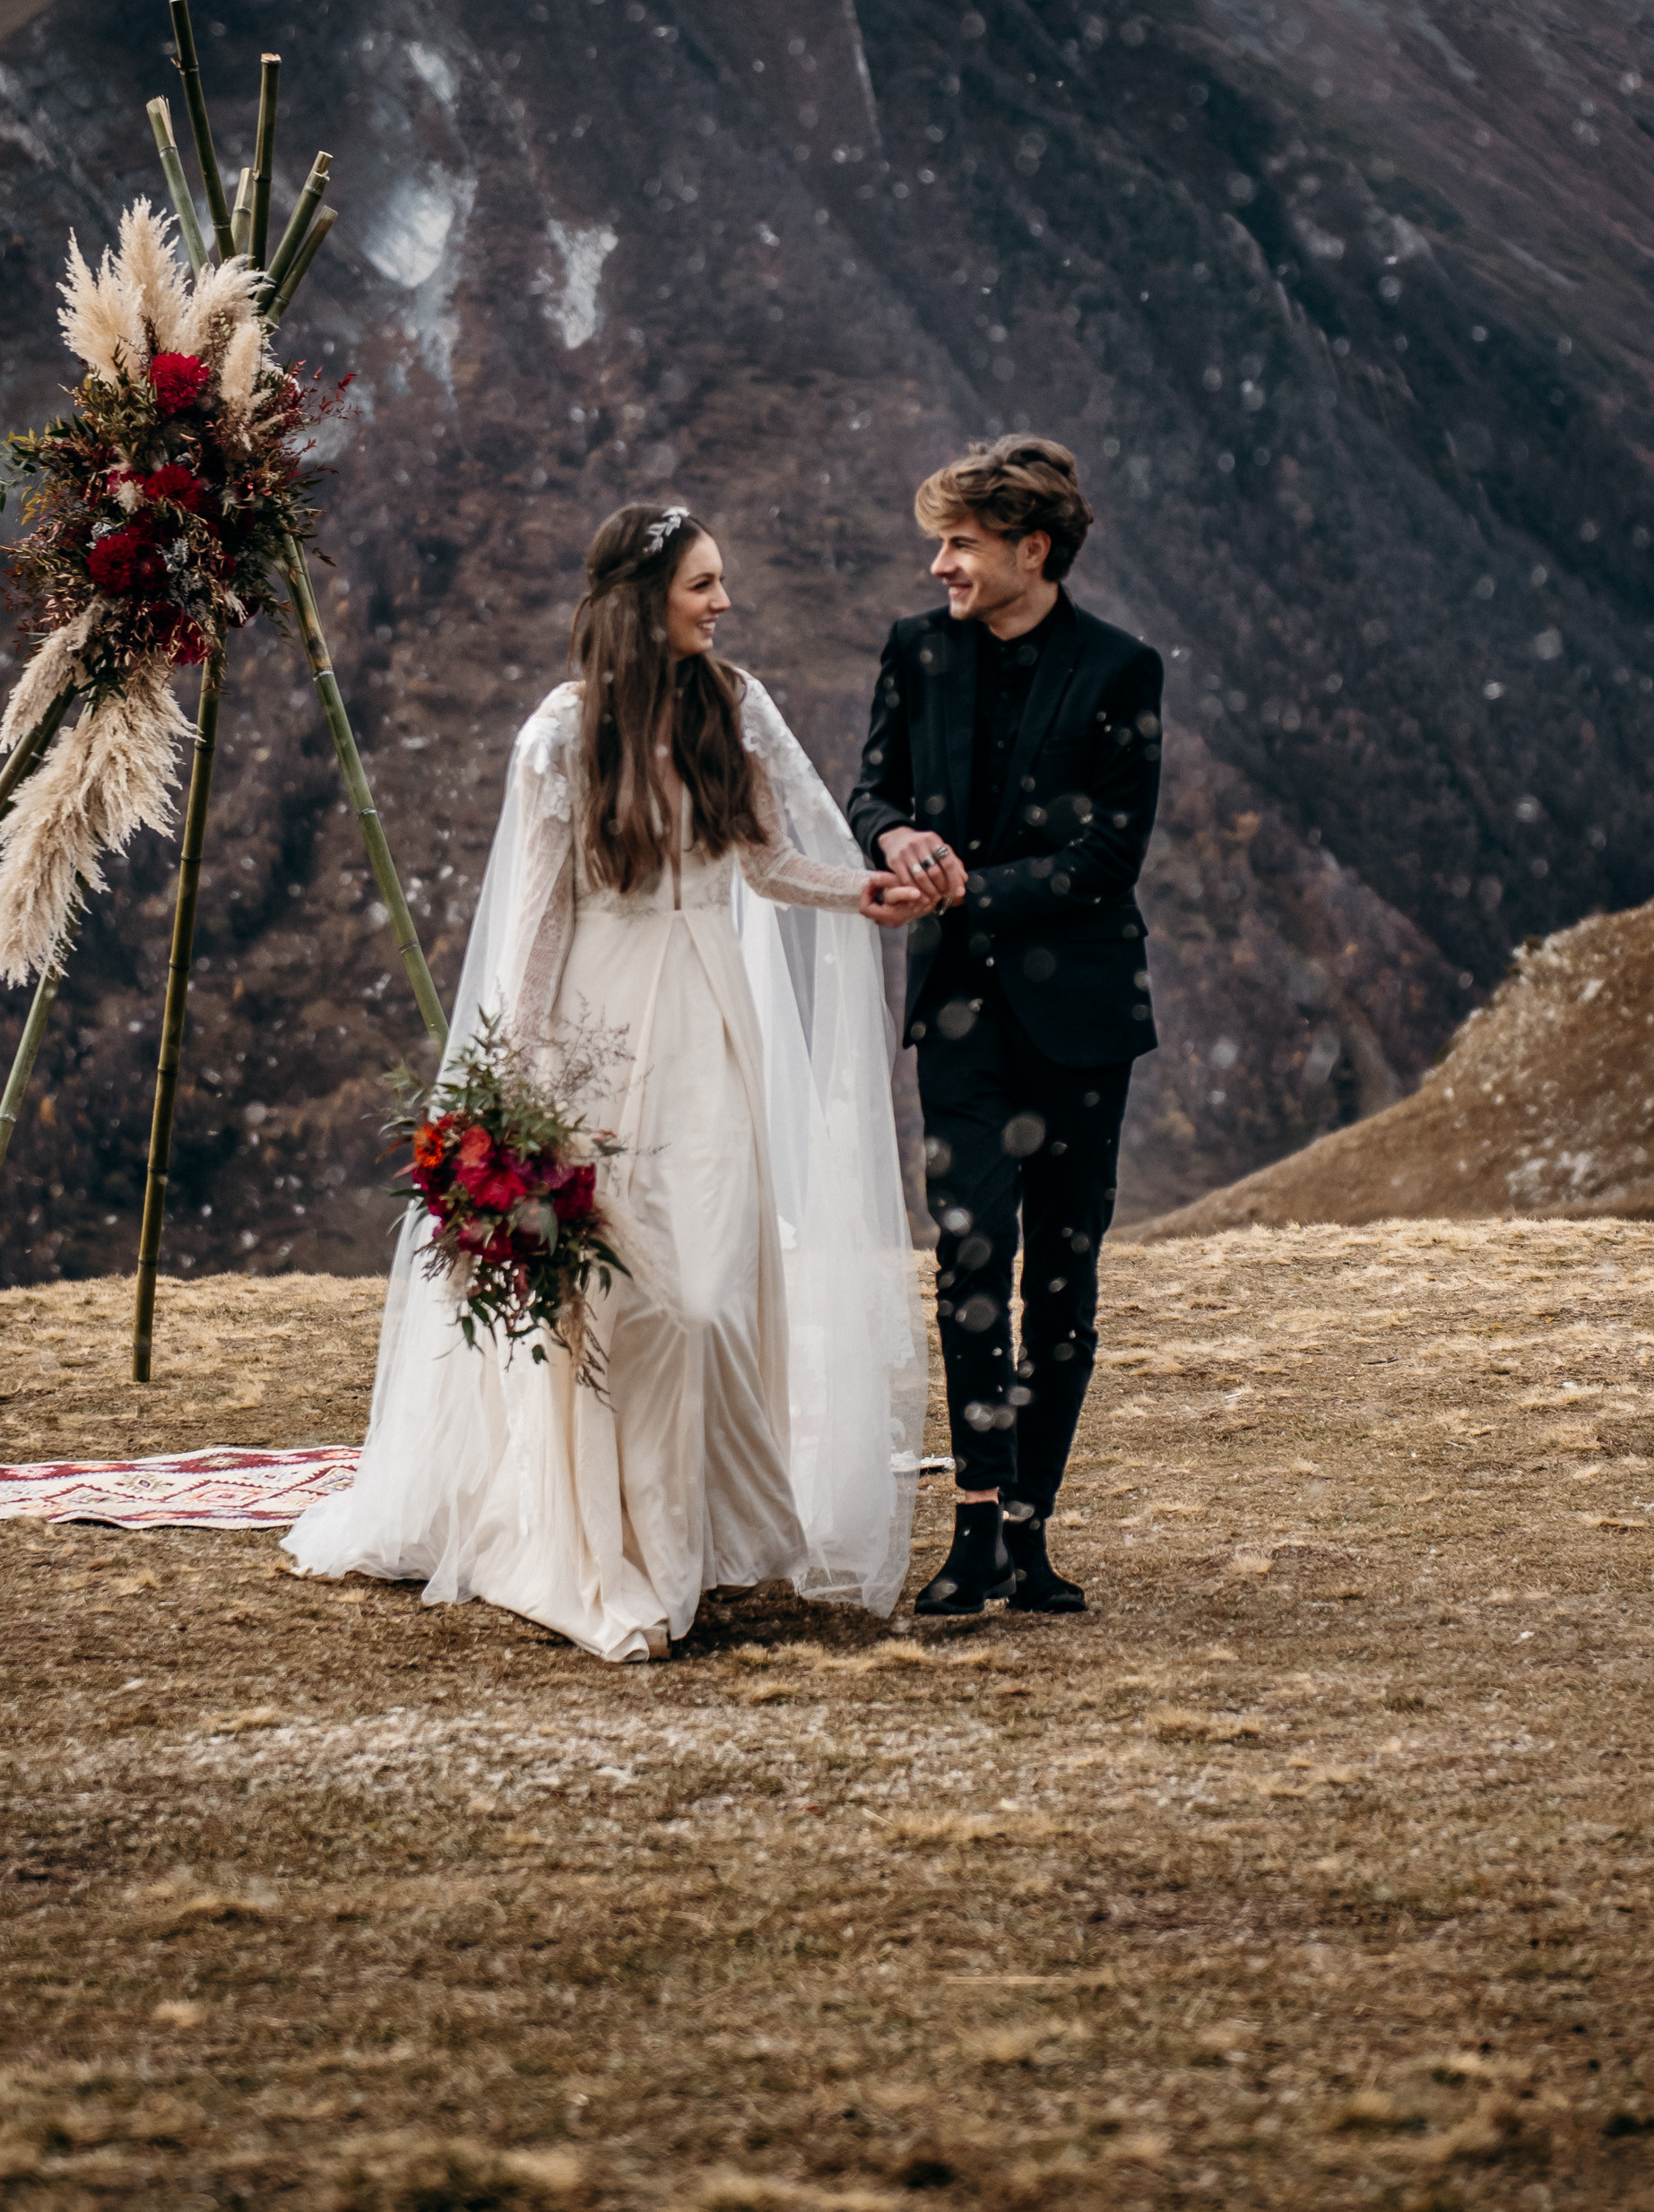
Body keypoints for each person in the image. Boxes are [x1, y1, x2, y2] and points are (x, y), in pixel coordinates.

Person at [286, 503, 930, 1662]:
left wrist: (861, 895)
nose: (724, 603)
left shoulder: (732, 703)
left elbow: (769, 861)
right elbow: (538, 925)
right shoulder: (563, 731)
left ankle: (696, 1534)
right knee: (626, 1298)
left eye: (721, 581)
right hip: (598, 1035)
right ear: (642, 601)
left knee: (711, 1293)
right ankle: (609, 1550)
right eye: (702, 585)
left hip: (711, 1031)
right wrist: (517, 1099)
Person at [846, 436, 1164, 1617]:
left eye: (961, 544)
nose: (939, 566)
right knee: (971, 1260)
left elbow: (1108, 856)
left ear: (1034, 549)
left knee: (1063, 1283)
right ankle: (974, 1527)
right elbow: (870, 788)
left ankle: (1032, 1531)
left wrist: (970, 888)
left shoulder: (1120, 668)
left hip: (1081, 1018)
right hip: (961, 1015)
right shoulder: (915, 651)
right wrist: (893, 838)